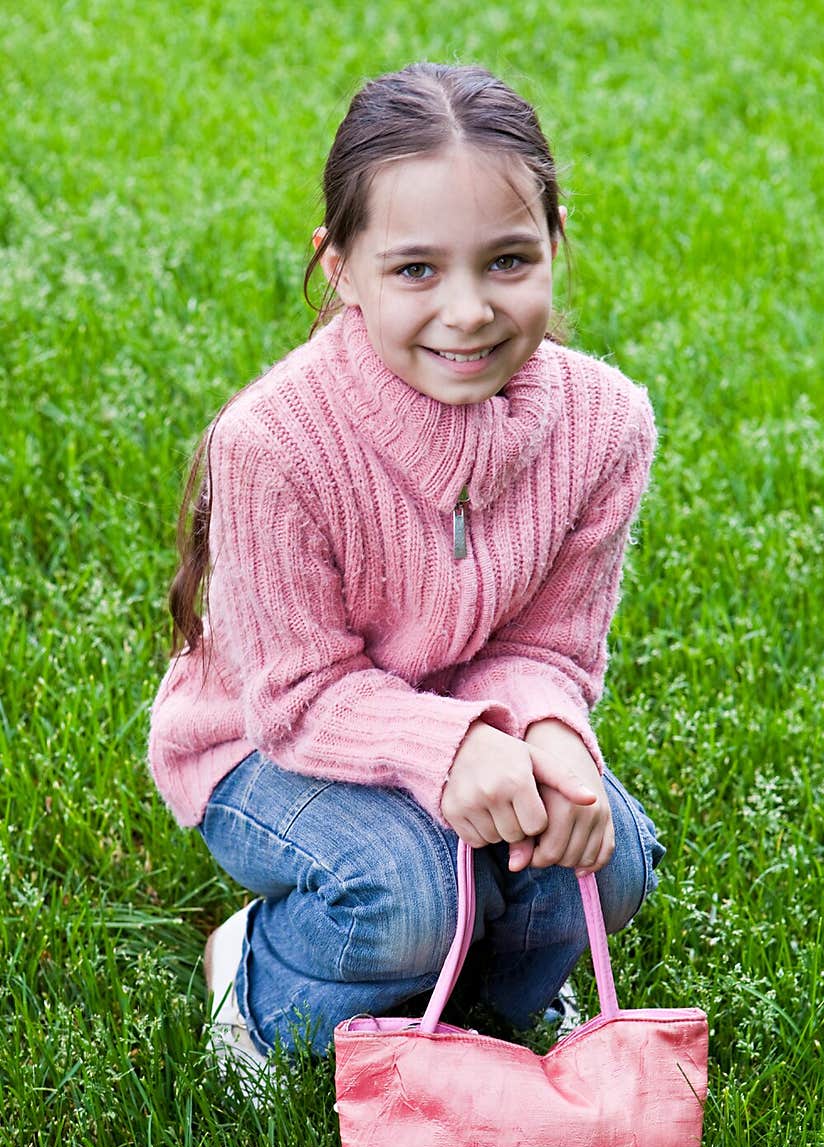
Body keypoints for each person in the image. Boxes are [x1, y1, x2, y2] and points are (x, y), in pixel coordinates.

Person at [147, 60, 665, 1084]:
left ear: (555, 245)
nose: (468, 311)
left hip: (462, 727)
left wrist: (550, 734)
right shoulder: (275, 442)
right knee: (410, 888)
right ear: (339, 267)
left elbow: (543, 648)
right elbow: (296, 697)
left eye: (508, 260)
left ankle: (490, 1009)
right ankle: (256, 989)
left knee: (603, 864)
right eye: (416, 269)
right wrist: (450, 746)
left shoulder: (606, 424)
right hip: (269, 744)